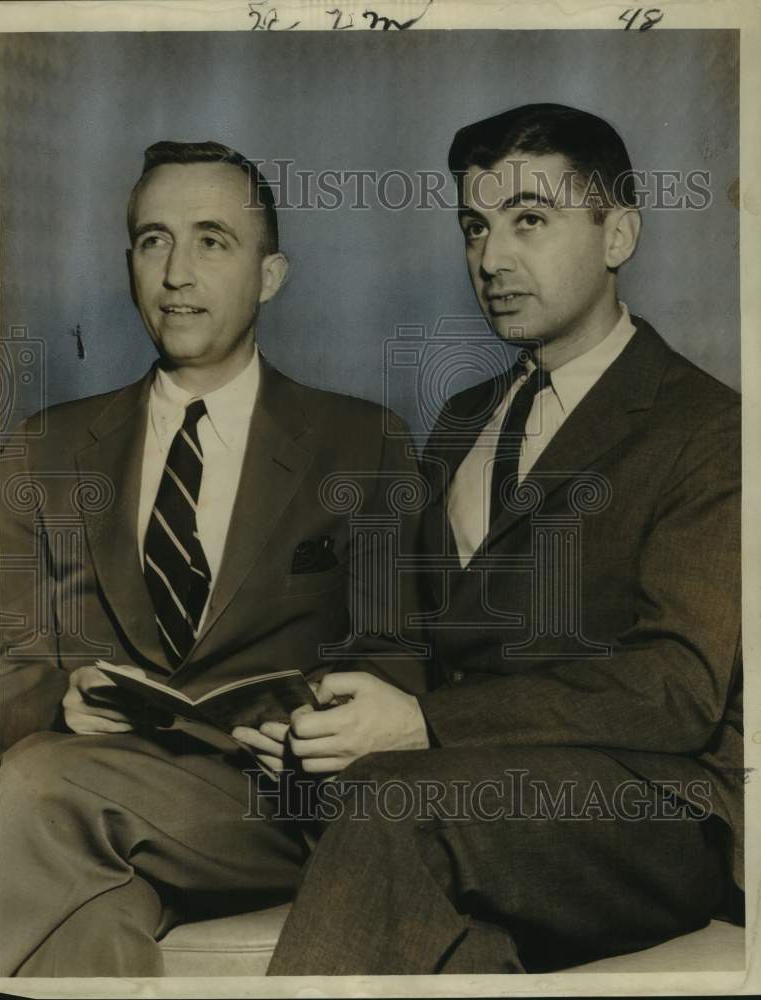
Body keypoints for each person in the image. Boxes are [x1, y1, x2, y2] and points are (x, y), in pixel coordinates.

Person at [265, 104, 743, 974]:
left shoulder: (711, 428)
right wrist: (329, 719)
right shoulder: (462, 419)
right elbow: (420, 638)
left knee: (381, 804)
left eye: (531, 221)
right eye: (474, 227)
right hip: (473, 798)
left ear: (618, 233)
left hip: (652, 811)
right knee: (337, 799)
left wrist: (422, 725)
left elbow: (676, 687)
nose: (491, 260)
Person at [0, 140, 428, 976]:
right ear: (129, 264)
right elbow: (4, 659)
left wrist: (315, 726)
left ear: (270, 274)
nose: (177, 274)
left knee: (33, 788)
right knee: (85, 919)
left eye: (212, 241)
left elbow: (397, 657)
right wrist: (58, 697)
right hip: (91, 787)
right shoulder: (42, 448)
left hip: (276, 803)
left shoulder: (363, 443)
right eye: (154, 241)